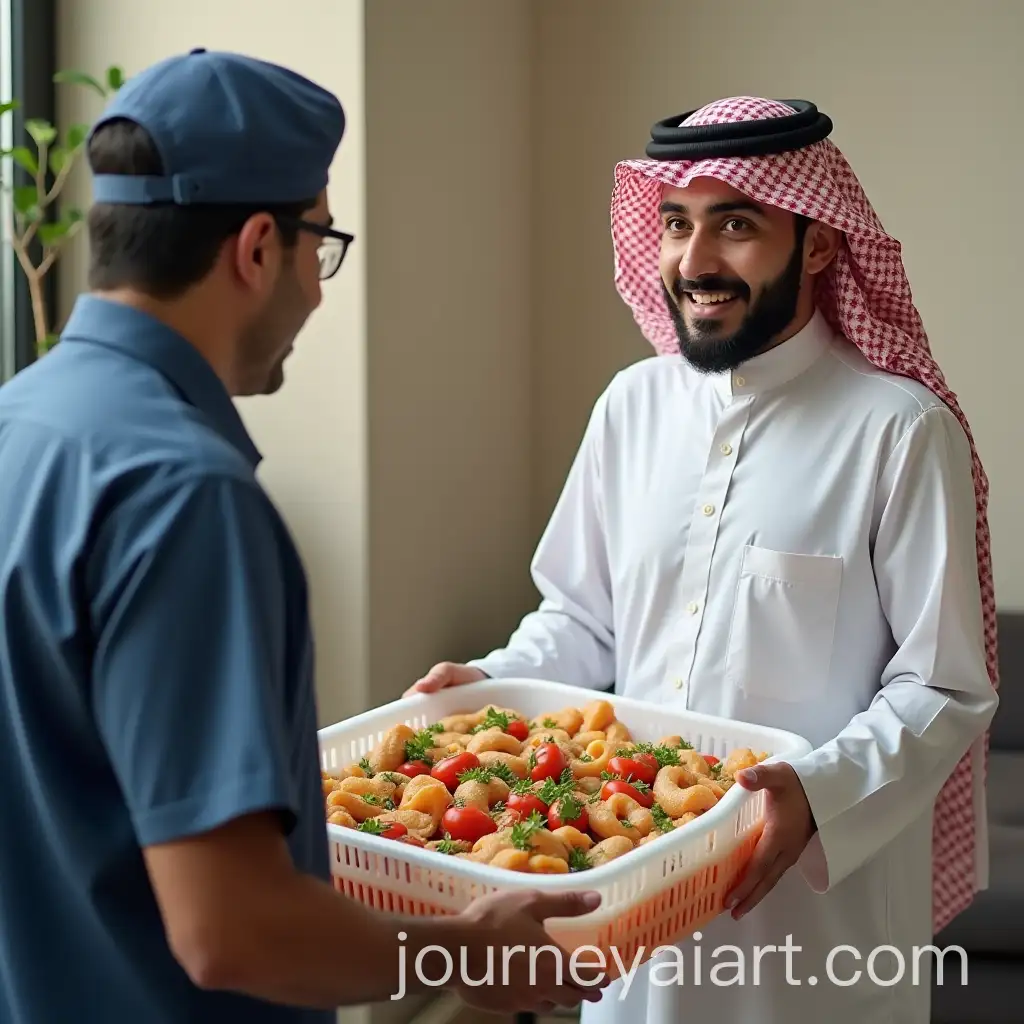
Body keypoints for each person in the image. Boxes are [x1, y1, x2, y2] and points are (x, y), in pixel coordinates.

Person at [0, 49, 610, 1023]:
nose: (318, 291)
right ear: (257, 248)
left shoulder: (20, 424)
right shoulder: (185, 495)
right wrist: (469, 953)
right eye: (318, 243)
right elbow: (231, 930)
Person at [408, 96, 1000, 1023]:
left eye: (737, 225)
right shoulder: (631, 406)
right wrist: (492, 681)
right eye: (677, 224)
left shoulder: (900, 430)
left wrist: (815, 792)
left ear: (820, 243)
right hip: (631, 897)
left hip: (811, 931)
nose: (694, 261)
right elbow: (584, 619)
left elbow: (943, 685)